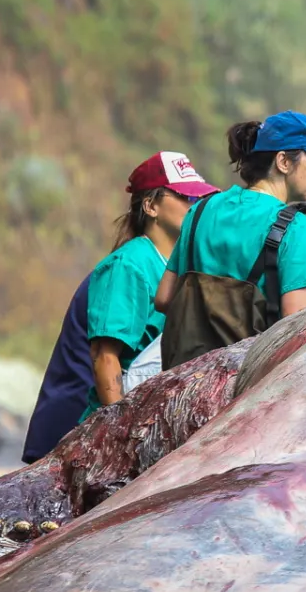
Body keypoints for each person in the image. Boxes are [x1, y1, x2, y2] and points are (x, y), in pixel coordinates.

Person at [22, 151, 218, 457]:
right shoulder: (128, 266)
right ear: (151, 206)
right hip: (97, 434)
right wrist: (119, 437)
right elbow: (104, 356)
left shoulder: (172, 265)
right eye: (184, 197)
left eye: (198, 199)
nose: (193, 206)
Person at [154, 112, 306, 369]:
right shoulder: (296, 228)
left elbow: (164, 299)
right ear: (283, 162)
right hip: (246, 385)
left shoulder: (202, 210)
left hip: (184, 373)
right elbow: (296, 331)